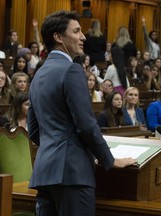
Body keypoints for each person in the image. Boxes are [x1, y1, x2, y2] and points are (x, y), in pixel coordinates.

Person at [27, 10, 135, 216]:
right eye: (76, 31)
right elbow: (86, 125)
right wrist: (109, 160)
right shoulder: (72, 70)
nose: (83, 37)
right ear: (58, 37)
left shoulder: (39, 73)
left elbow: (33, 130)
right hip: (73, 176)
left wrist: (58, 149)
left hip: (44, 172)